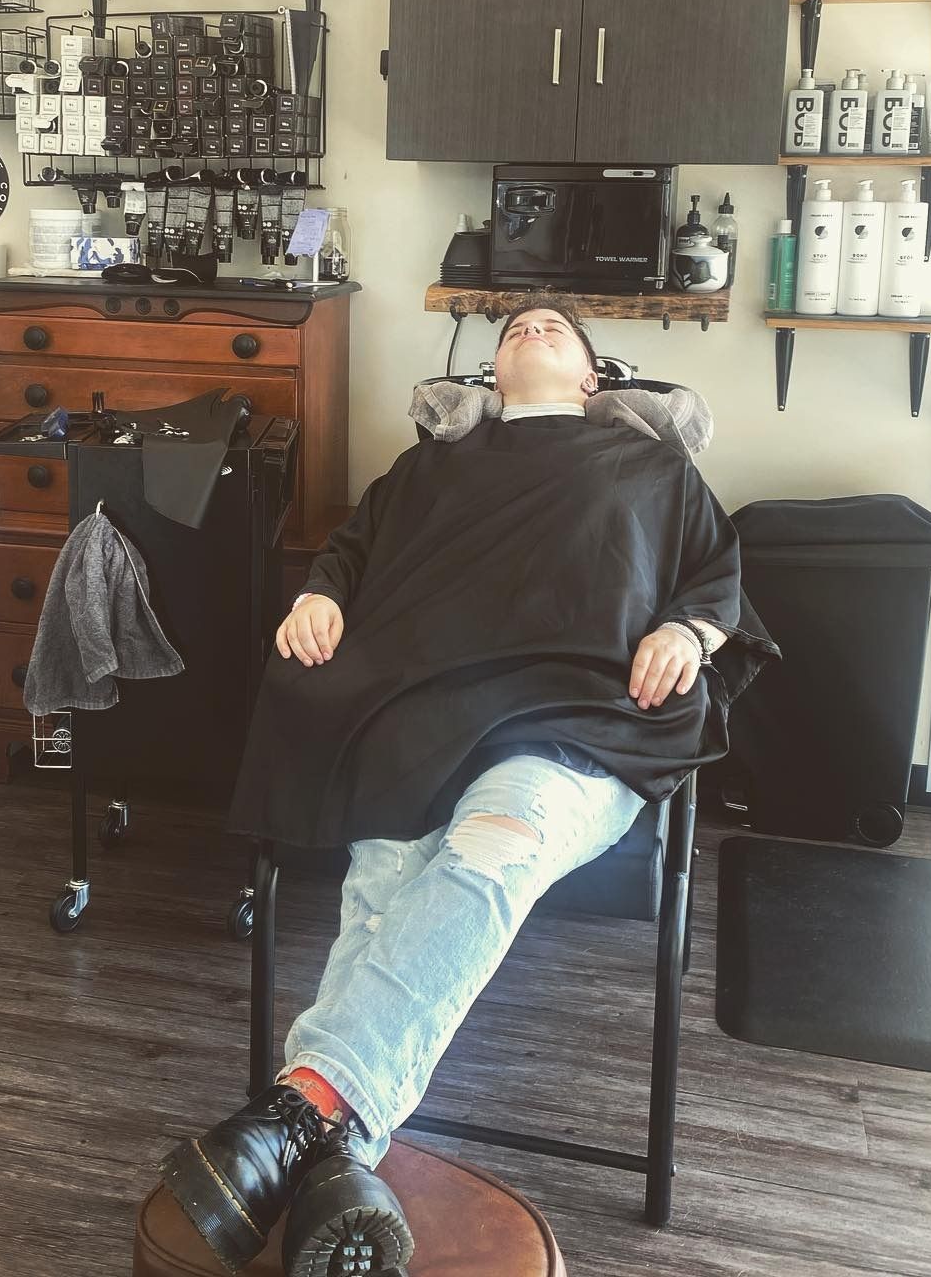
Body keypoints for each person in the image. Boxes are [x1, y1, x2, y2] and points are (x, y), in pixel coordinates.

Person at [162, 299, 775, 1275]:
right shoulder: (427, 469)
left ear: (592, 378)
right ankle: (339, 1160)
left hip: (576, 728)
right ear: (490, 378)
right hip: (417, 726)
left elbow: (716, 581)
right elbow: (351, 557)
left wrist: (683, 634)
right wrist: (321, 596)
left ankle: (297, 1113)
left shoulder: (654, 470)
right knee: (384, 886)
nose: (532, 331)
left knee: (496, 838)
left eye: (556, 330)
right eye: (514, 330)